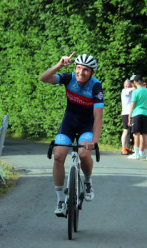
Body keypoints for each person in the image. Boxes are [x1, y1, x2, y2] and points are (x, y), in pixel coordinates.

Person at [39, 52, 103, 217]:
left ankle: (88, 181)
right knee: (59, 155)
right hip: (69, 123)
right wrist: (59, 65)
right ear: (75, 68)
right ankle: (60, 200)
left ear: (92, 73)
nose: (81, 72)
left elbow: (98, 115)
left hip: (86, 126)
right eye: (79, 68)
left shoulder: (95, 86)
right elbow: (43, 78)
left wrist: (94, 141)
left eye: (86, 70)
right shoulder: (68, 78)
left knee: (83, 154)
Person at [127, 75, 147, 160]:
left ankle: (136, 153)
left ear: (136, 82)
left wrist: (129, 117)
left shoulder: (135, 92)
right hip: (145, 113)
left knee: (136, 134)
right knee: (145, 134)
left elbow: (132, 105)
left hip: (137, 113)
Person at [121, 78, 136, 155]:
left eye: (128, 85)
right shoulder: (124, 91)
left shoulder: (131, 91)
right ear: (124, 86)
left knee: (129, 131)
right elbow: (132, 89)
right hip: (126, 113)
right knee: (125, 130)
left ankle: (126, 147)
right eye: (126, 85)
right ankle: (123, 148)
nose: (127, 87)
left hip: (130, 113)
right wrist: (134, 85)